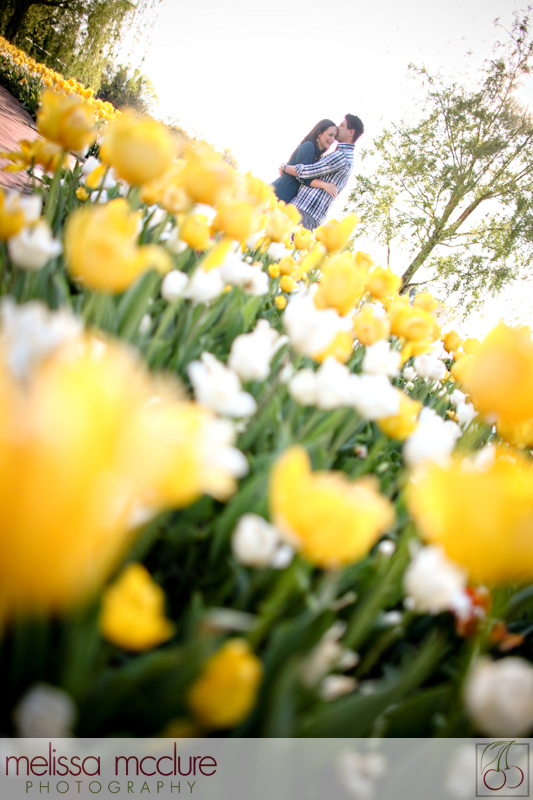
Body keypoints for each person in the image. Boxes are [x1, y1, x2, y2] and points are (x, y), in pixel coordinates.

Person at [280, 114, 364, 230]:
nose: (338, 128)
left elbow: (307, 172)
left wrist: (285, 168)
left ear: (351, 132)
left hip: (305, 210)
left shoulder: (341, 156)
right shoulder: (342, 155)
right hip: (306, 211)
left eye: (342, 125)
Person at [272, 119, 339, 204]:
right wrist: (325, 185)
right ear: (319, 133)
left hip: (288, 198)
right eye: (330, 135)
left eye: (334, 137)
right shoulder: (308, 146)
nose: (332, 139)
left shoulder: (319, 157)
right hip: (279, 192)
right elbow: (304, 175)